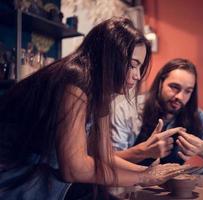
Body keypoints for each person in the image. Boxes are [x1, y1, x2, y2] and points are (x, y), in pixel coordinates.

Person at [0, 18, 189, 200]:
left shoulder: (102, 93)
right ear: (109, 58)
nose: (138, 76)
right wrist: (144, 178)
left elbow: (103, 155)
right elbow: (74, 169)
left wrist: (152, 173)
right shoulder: (74, 79)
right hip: (12, 176)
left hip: (40, 172)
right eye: (133, 65)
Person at [111, 58, 203, 183]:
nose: (180, 97)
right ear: (160, 83)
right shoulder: (129, 110)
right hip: (133, 179)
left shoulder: (196, 115)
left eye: (188, 91)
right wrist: (144, 151)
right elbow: (108, 161)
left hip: (174, 179)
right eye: (174, 87)